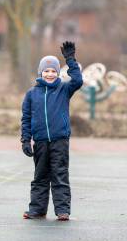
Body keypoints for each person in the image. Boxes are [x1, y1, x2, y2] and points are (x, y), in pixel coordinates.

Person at [20, 41, 83, 221]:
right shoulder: (32, 94)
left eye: (53, 71)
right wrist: (25, 140)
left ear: (58, 73)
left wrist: (70, 60)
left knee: (59, 175)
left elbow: (78, 80)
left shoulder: (64, 89)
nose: (50, 74)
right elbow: (25, 118)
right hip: (40, 142)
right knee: (40, 177)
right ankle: (37, 210)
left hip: (59, 141)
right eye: (46, 71)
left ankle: (62, 210)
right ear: (41, 72)